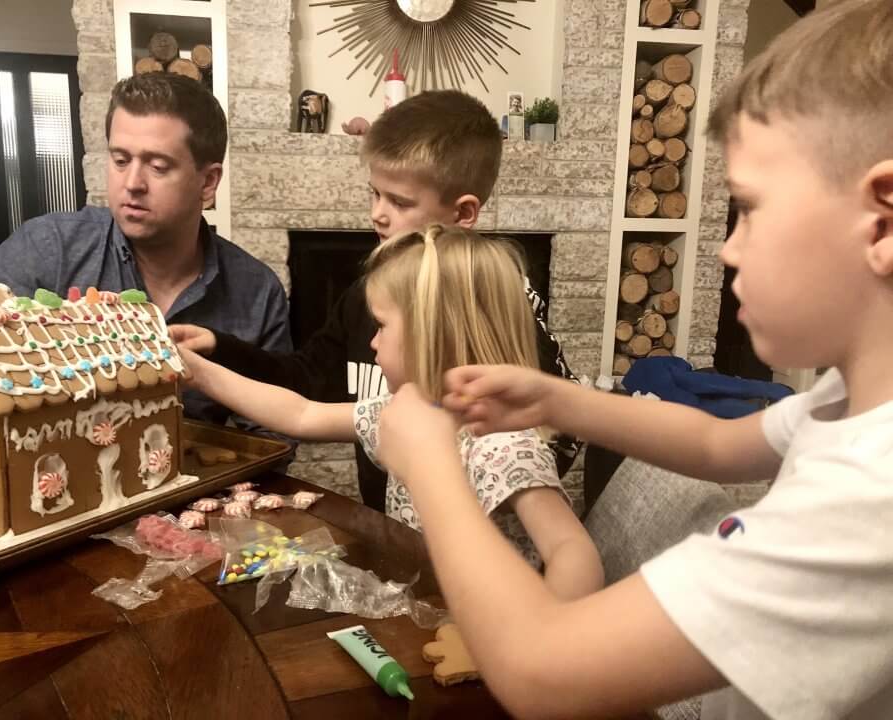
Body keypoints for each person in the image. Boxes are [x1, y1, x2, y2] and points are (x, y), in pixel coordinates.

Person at [374, 1, 893, 717]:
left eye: (749, 208)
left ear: (883, 219)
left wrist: (429, 462)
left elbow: (540, 675)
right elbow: (714, 442)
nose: (725, 247)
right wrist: (556, 400)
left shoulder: (873, 494)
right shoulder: (848, 404)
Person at [169, 89, 579, 511]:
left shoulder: (502, 314)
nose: (378, 214)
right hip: (398, 545)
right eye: (375, 194)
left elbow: (557, 438)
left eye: (399, 201)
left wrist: (495, 488)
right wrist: (216, 352)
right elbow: (304, 395)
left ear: (463, 213)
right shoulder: (372, 311)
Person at [180, 225, 603, 599]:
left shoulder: (504, 446)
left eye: (382, 325)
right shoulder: (402, 415)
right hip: (420, 602)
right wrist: (200, 373)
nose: (372, 342)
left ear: (433, 337)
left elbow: (574, 552)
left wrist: (539, 638)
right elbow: (301, 414)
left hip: (492, 642)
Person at [0, 72, 291, 425]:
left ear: (208, 183)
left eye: (158, 166)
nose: (132, 184)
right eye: (120, 160)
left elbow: (270, 437)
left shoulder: (256, 292)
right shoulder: (46, 250)